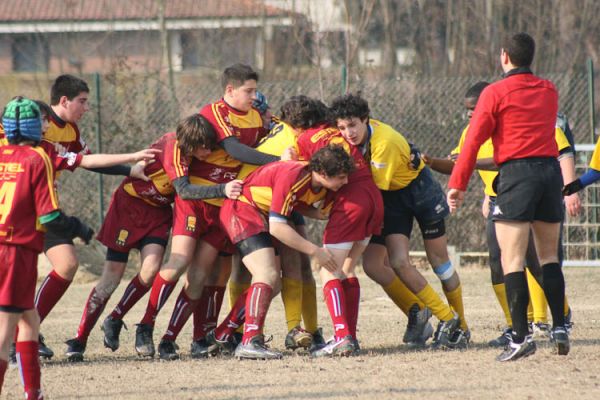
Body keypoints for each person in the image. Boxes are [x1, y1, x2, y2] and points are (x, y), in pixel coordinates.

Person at [62, 114, 240, 361]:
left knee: (151, 269)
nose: (209, 151)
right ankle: (79, 339)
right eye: (205, 147)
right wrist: (222, 189)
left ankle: (119, 319)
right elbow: (184, 190)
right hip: (130, 206)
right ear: (191, 144)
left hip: (158, 212)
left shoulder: (194, 150)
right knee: (112, 275)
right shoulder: (173, 149)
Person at [133, 64, 274, 358]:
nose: (253, 95)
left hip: (225, 205)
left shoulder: (256, 116)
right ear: (230, 90)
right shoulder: (216, 114)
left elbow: (269, 131)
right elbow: (235, 151)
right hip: (196, 200)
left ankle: (189, 338)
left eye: (255, 90)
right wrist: (277, 162)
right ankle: (146, 324)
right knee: (181, 261)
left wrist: (271, 119)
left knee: (206, 275)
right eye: (248, 91)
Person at [448, 32, 569, 361]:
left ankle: (520, 337)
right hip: (549, 173)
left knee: (512, 259)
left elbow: (473, 140)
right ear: (531, 57)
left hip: (517, 175)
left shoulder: (495, 92)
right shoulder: (548, 89)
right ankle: (560, 326)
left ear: (504, 56)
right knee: (548, 258)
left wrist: (458, 183)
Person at [425, 83, 576, 347]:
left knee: (535, 260)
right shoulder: (470, 131)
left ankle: (559, 319)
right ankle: (515, 325)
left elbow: (503, 159)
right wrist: (430, 161)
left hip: (525, 194)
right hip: (498, 198)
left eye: (475, 109)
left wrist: (571, 188)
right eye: (468, 110)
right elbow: (460, 163)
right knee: (497, 263)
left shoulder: (516, 123)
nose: (471, 115)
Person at [330, 93, 464, 349]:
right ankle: (422, 312)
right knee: (381, 264)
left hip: (419, 192)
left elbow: (373, 189)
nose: (348, 132)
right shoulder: (342, 138)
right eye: (342, 127)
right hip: (390, 199)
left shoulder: (384, 143)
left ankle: (460, 326)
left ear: (366, 119)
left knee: (440, 263)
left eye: (353, 125)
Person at [32, 75, 149, 359]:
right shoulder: (32, 129)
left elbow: (88, 160)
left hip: (46, 208)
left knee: (68, 264)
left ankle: (29, 331)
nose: (86, 108)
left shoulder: (70, 132)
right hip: (17, 210)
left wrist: (129, 169)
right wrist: (132, 157)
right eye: (82, 102)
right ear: (64, 101)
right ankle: (20, 336)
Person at [212, 145, 352, 359]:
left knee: (273, 282)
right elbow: (278, 227)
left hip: (256, 213)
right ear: (323, 173)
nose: (346, 182)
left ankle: (224, 332)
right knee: (267, 275)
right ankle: (249, 341)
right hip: (241, 210)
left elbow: (295, 202)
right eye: (341, 177)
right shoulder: (293, 174)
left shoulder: (312, 180)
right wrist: (315, 251)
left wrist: (319, 214)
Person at [0, 97, 92, 399]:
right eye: (40, 121)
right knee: (5, 331)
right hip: (15, 250)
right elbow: (49, 215)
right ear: (29, 126)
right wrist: (77, 227)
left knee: (29, 320)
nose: (45, 124)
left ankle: (34, 393)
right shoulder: (36, 158)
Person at [279, 96, 384, 356]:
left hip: (351, 203)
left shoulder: (306, 138)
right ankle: (350, 336)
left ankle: (341, 336)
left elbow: (306, 176)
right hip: (374, 198)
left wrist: (287, 160)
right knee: (347, 269)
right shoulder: (334, 130)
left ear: (296, 125)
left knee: (328, 271)